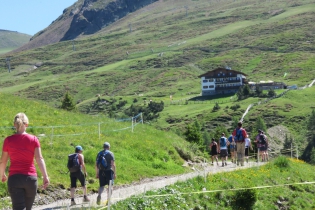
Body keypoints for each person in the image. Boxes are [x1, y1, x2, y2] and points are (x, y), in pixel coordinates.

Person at [0, 113, 49, 210]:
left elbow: (3, 161)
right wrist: (45, 176)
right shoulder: (34, 139)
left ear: (14, 124)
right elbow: (39, 159)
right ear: (27, 124)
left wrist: (2, 174)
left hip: (15, 179)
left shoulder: (8, 140)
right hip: (31, 179)